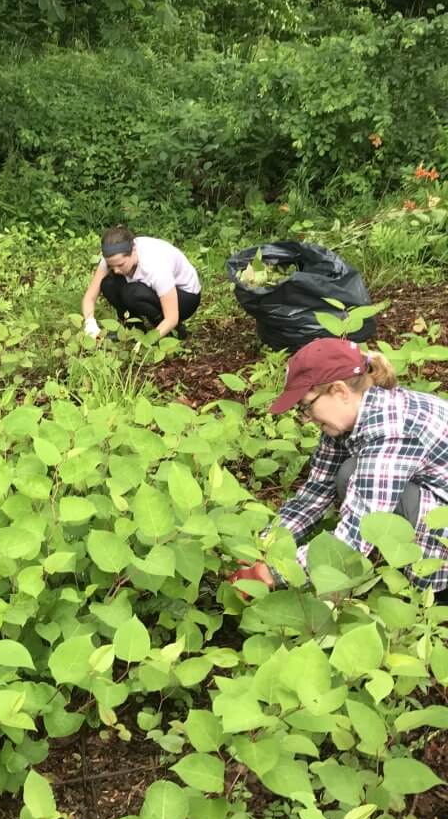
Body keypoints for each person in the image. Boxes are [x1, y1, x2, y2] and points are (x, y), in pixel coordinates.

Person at [232, 337, 448, 596]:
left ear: (340, 391)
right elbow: (314, 494)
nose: (307, 419)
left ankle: (431, 593)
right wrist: (266, 547)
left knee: (355, 479)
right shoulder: (347, 419)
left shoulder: (391, 430)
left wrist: (277, 572)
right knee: (349, 472)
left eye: (306, 406)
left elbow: (358, 532)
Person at [81, 225, 201, 339]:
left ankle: (172, 332)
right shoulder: (113, 257)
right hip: (155, 292)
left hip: (185, 298)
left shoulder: (155, 266)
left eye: (121, 265)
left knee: (132, 293)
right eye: (111, 265)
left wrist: (147, 341)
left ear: (133, 251)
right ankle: (133, 331)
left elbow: (172, 318)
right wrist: (89, 323)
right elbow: (90, 297)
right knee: (108, 284)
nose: (116, 270)